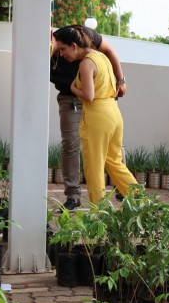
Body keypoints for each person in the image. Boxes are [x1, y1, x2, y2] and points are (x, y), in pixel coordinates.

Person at [52, 26, 138, 205]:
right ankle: (140, 199)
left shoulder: (86, 63)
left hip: (97, 116)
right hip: (113, 113)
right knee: (114, 162)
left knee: (94, 167)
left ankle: (98, 213)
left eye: (62, 49)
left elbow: (89, 96)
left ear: (74, 45)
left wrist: (73, 88)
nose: (61, 54)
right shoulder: (102, 57)